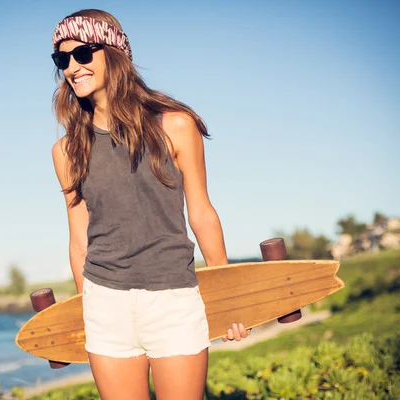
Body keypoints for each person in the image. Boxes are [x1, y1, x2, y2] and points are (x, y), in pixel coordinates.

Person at [49, 9, 250, 400]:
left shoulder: (174, 126)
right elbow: (79, 240)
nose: (73, 67)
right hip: (104, 303)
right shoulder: (67, 150)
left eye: (83, 53)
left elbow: (202, 213)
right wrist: (85, 311)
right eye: (62, 59)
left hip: (173, 298)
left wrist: (228, 298)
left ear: (114, 52)